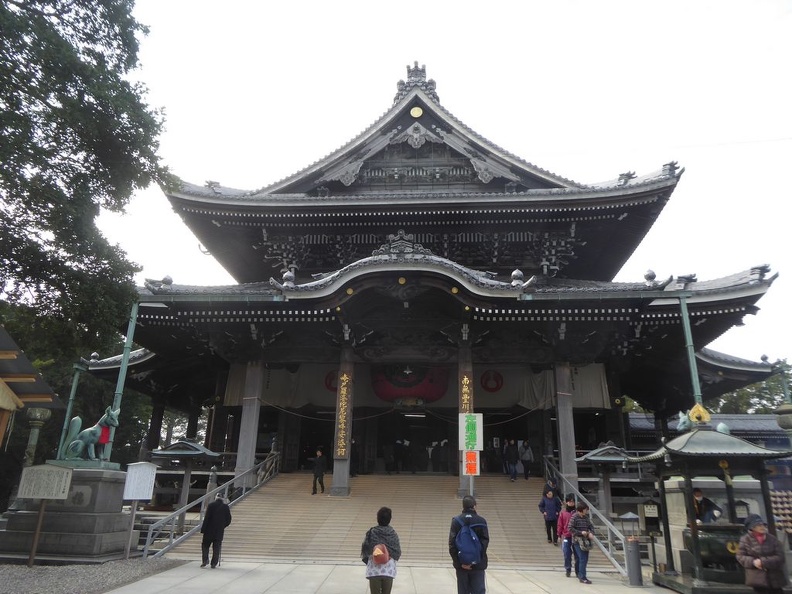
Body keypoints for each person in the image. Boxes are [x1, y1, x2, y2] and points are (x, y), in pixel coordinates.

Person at [736, 514, 787, 594]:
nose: (762, 527)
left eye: (763, 524)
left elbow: (780, 557)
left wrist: (763, 562)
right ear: (752, 528)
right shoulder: (745, 540)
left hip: (775, 579)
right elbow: (740, 556)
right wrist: (753, 562)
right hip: (757, 580)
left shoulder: (772, 539)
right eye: (758, 525)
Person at [449, 495, 490, 594]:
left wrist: (460, 563)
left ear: (463, 506)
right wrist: (475, 560)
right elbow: (485, 542)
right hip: (478, 565)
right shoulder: (481, 521)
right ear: (475, 506)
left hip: (462, 565)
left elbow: (452, 544)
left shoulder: (456, 521)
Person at [361, 506, 402, 594]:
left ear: (378, 518)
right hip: (388, 571)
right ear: (390, 519)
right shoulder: (393, 534)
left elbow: (365, 549)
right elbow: (397, 552)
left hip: (374, 571)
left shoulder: (372, 532)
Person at [200, 493, 232, 568]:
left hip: (209, 530)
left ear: (216, 498)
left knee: (205, 545)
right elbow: (229, 520)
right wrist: (223, 526)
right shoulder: (225, 507)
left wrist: (203, 529)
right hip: (219, 531)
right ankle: (214, 563)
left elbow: (207, 518)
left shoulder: (211, 505)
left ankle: (205, 560)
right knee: (216, 547)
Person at [568, 502, 595, 584]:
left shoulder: (586, 517)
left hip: (585, 541)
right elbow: (570, 528)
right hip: (577, 541)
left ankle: (579, 573)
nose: (586, 511)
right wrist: (580, 532)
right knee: (583, 558)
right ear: (581, 510)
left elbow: (591, 526)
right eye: (585, 509)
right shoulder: (574, 517)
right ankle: (582, 577)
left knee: (582, 558)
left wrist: (591, 533)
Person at [557, 494, 579, 577]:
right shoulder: (563, 513)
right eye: (570, 502)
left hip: (576, 536)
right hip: (566, 536)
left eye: (573, 502)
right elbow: (560, 525)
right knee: (566, 553)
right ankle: (568, 568)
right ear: (566, 502)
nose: (571, 503)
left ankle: (578, 570)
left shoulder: (577, 512)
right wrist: (559, 535)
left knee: (577, 555)